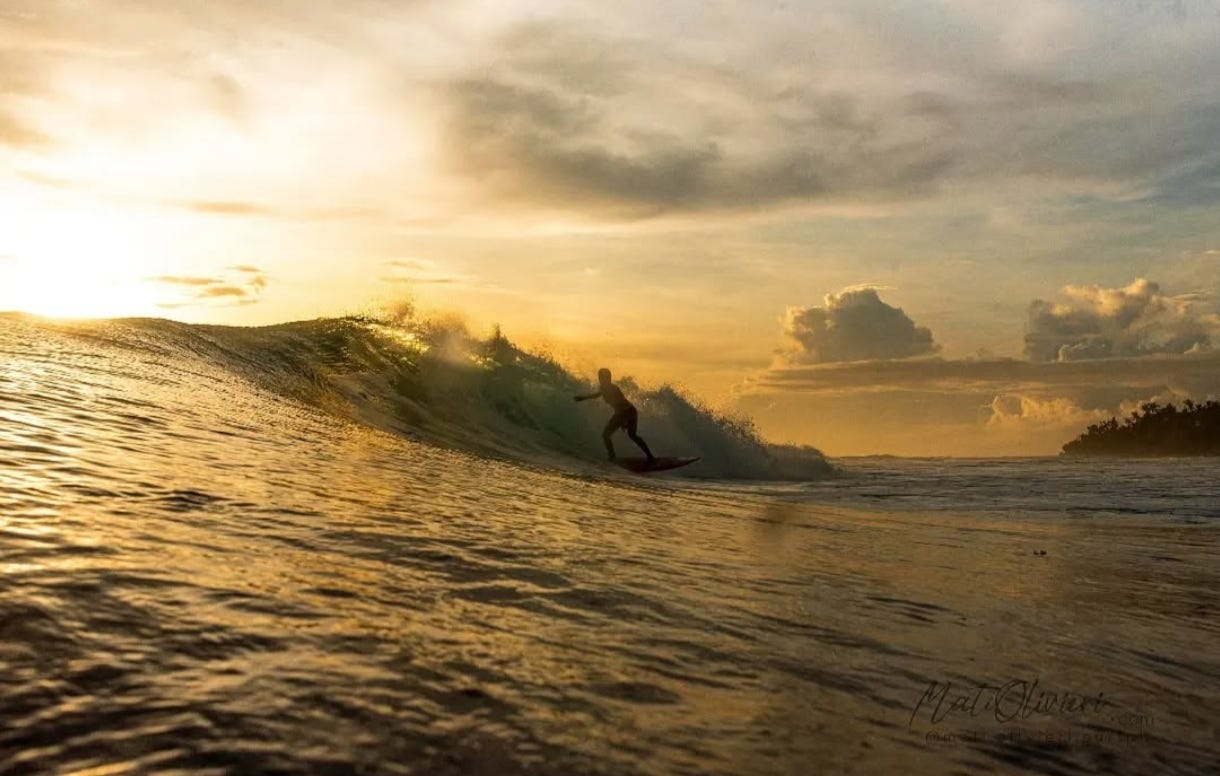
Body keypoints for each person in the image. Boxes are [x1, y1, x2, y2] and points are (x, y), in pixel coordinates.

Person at [574, 368, 655, 462]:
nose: (603, 380)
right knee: (631, 435)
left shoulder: (613, 389)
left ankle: (613, 457)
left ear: (609, 378)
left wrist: (624, 421)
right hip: (629, 411)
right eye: (601, 377)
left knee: (606, 435)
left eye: (606, 378)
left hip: (627, 412)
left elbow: (621, 403)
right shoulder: (603, 388)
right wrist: (583, 398)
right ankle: (649, 456)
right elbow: (597, 395)